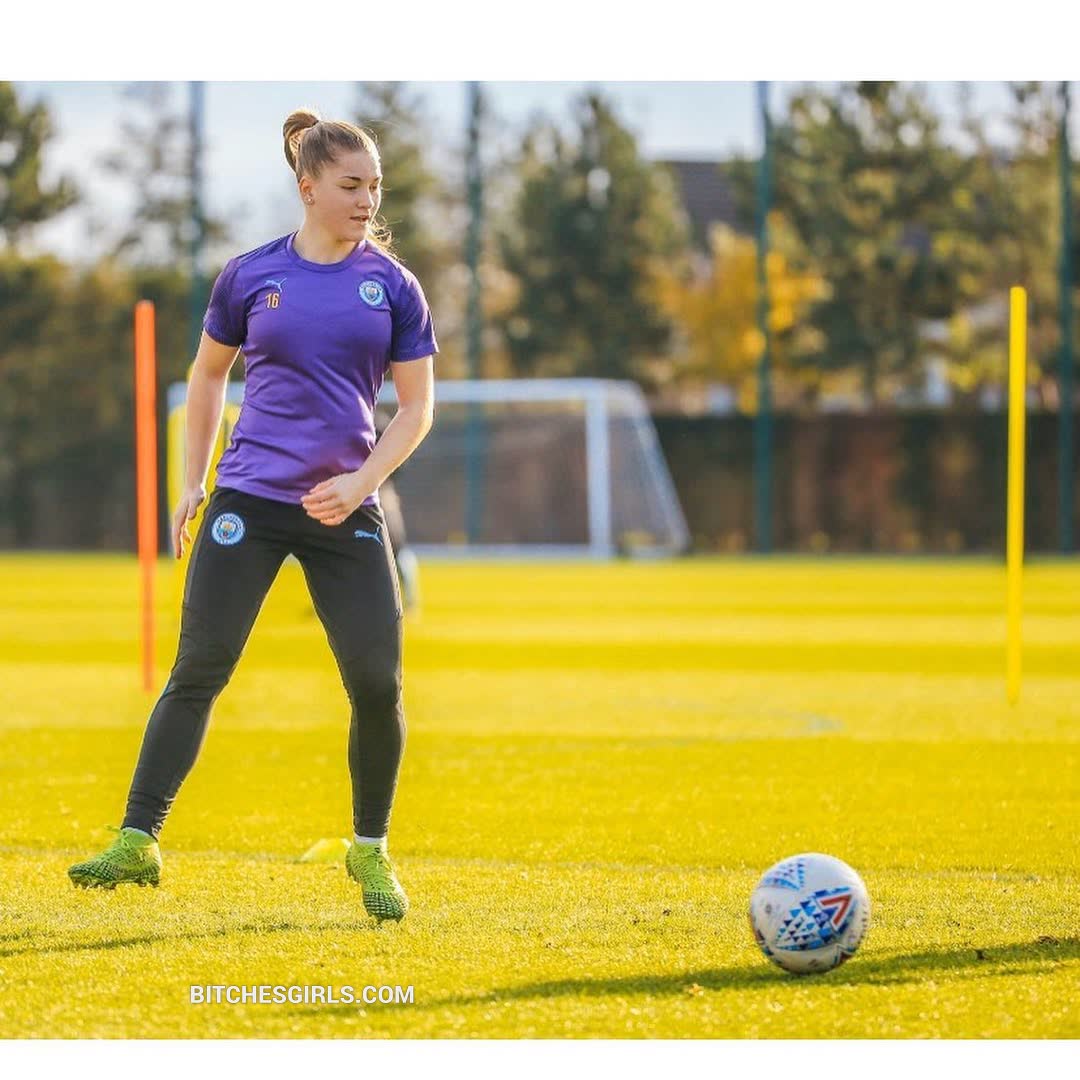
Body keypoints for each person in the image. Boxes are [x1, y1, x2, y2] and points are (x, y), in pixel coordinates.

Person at [67, 108, 437, 923]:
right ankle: (137, 839)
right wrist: (191, 482)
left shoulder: (393, 287)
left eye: (375, 186)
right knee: (199, 670)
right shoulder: (249, 276)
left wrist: (361, 482)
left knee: (377, 683)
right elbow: (207, 376)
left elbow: (416, 409)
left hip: (345, 509)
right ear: (307, 187)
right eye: (351, 185)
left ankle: (370, 849)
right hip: (249, 500)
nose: (367, 201)